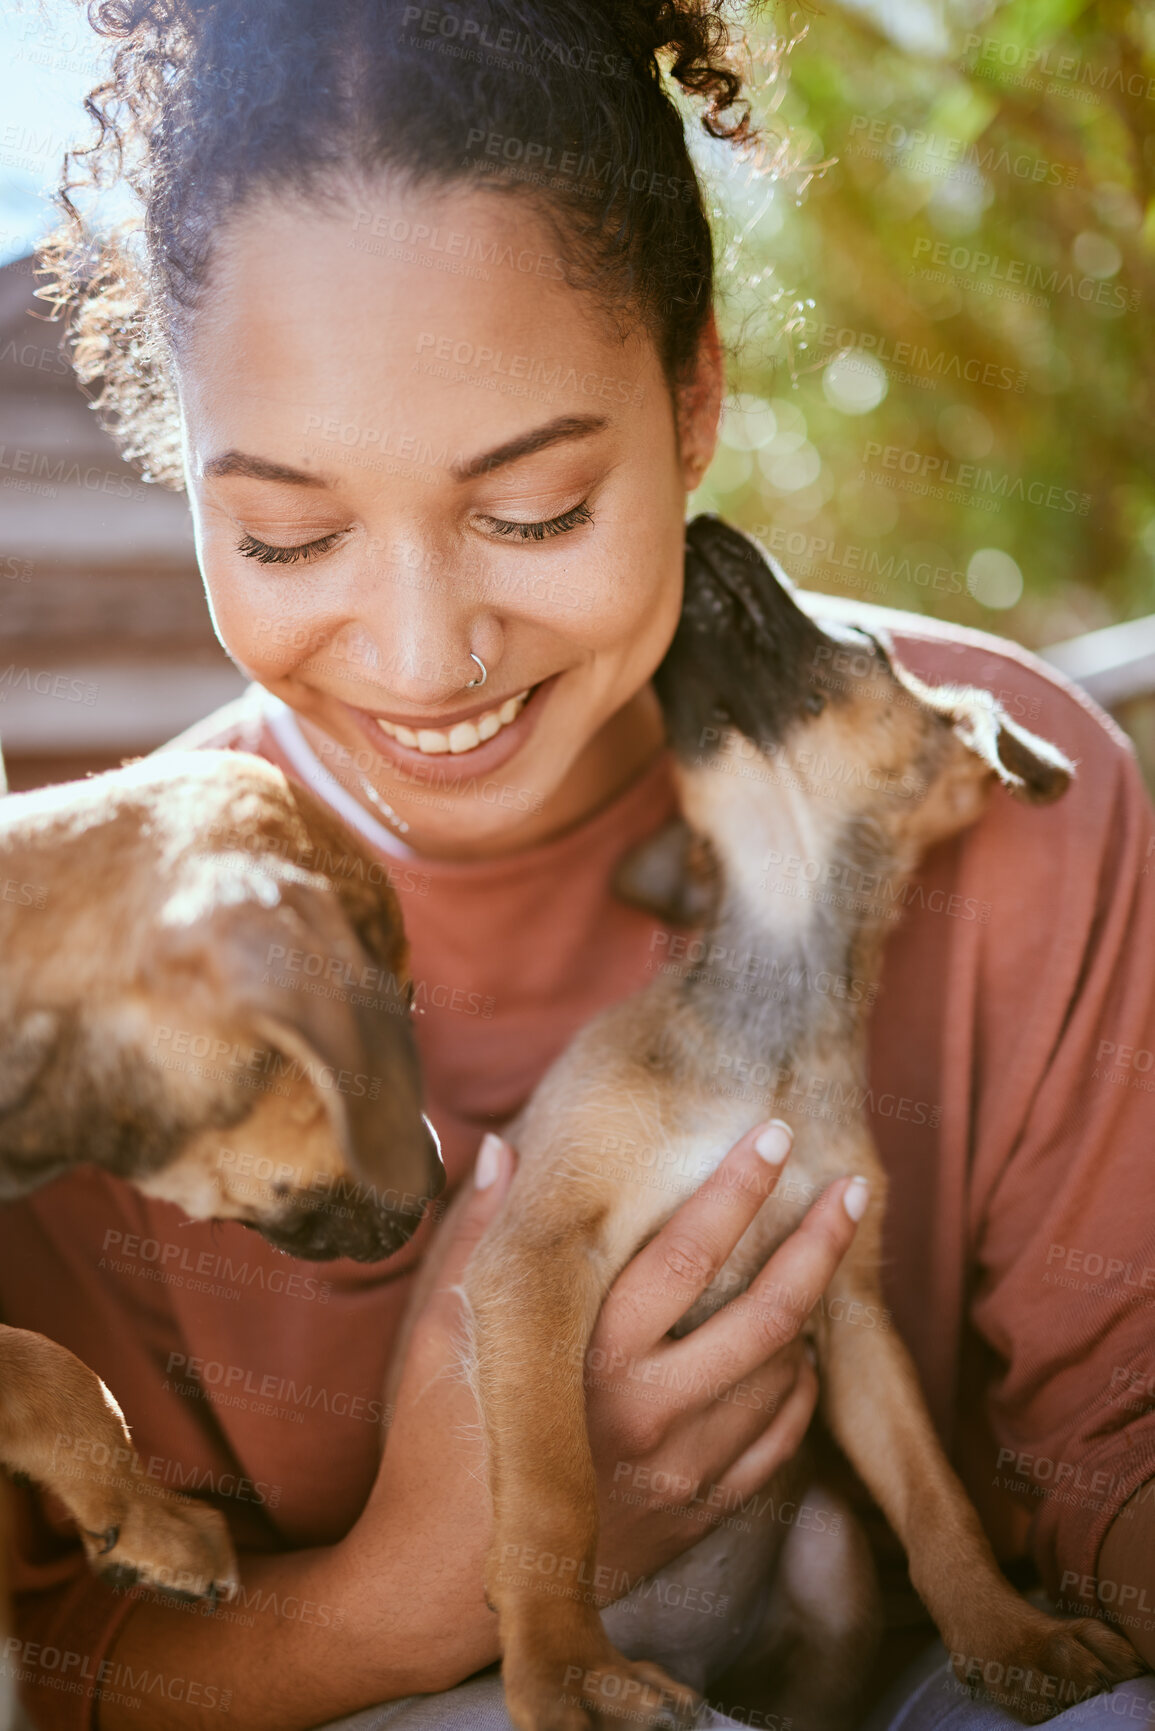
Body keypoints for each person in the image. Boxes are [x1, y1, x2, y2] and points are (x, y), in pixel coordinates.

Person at [2, 2, 1155, 1729]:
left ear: (693, 399)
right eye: (288, 535)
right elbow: (64, 1658)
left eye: (531, 510)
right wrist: (408, 1603)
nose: (420, 653)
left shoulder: (982, 773)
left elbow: (1116, 1454)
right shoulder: (104, 986)